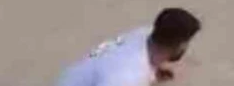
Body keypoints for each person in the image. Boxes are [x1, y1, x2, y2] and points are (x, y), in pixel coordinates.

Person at [57, 7, 202, 86]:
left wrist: (152, 73)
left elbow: (102, 49)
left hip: (71, 77)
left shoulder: (142, 32)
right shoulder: (128, 76)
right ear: (181, 45)